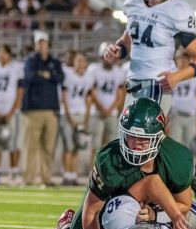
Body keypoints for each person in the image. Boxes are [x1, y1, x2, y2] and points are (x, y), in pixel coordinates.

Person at [53, 98, 194, 229]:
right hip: (109, 202)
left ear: (159, 137)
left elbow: (184, 204)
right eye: (131, 136)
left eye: (143, 139)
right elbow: (91, 210)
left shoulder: (177, 158)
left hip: (153, 208)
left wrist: (155, 214)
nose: (135, 145)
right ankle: (65, 226)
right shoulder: (110, 159)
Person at [105, 0, 196, 113]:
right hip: (133, 84)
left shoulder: (177, 10)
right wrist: (118, 50)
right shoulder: (133, 2)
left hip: (157, 85)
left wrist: (177, 77)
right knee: (127, 136)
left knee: (148, 137)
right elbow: (128, 39)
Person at [16, 30, 63, 186]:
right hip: (32, 110)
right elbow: (30, 77)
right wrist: (48, 75)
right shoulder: (30, 61)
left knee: (48, 147)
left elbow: (60, 78)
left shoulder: (55, 62)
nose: (41, 45)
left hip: (51, 110)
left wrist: (44, 74)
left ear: (48, 44)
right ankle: (28, 178)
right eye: (39, 42)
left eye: (43, 42)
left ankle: (46, 178)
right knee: (30, 146)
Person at [0, 44, 23, 185]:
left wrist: (11, 112)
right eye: (0, 52)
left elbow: (20, 93)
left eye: (4, 53)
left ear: (9, 55)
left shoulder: (16, 69)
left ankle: (13, 174)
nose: (1, 55)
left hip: (11, 112)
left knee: (13, 143)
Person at [86, 42, 127, 159]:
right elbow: (92, 92)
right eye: (107, 55)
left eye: (112, 56)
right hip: (98, 112)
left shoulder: (119, 72)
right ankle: (93, 171)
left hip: (112, 112)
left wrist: (111, 109)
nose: (110, 58)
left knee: (113, 145)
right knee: (96, 144)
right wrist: (102, 109)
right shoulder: (94, 69)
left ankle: (108, 172)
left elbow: (120, 94)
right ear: (101, 56)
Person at [59, 51, 90, 186]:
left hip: (81, 114)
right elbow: (64, 98)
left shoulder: (88, 78)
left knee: (77, 147)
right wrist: (69, 117)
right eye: (77, 60)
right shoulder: (68, 75)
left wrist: (86, 119)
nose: (79, 63)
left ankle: (73, 175)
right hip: (69, 114)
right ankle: (67, 175)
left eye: (82, 60)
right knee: (68, 146)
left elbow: (88, 99)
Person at [169, 51, 196, 150]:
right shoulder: (172, 74)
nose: (183, 61)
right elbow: (167, 97)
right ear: (176, 59)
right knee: (174, 148)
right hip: (175, 116)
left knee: (192, 149)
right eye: (180, 58)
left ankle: (190, 166)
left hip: (191, 116)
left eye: (185, 58)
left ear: (190, 60)